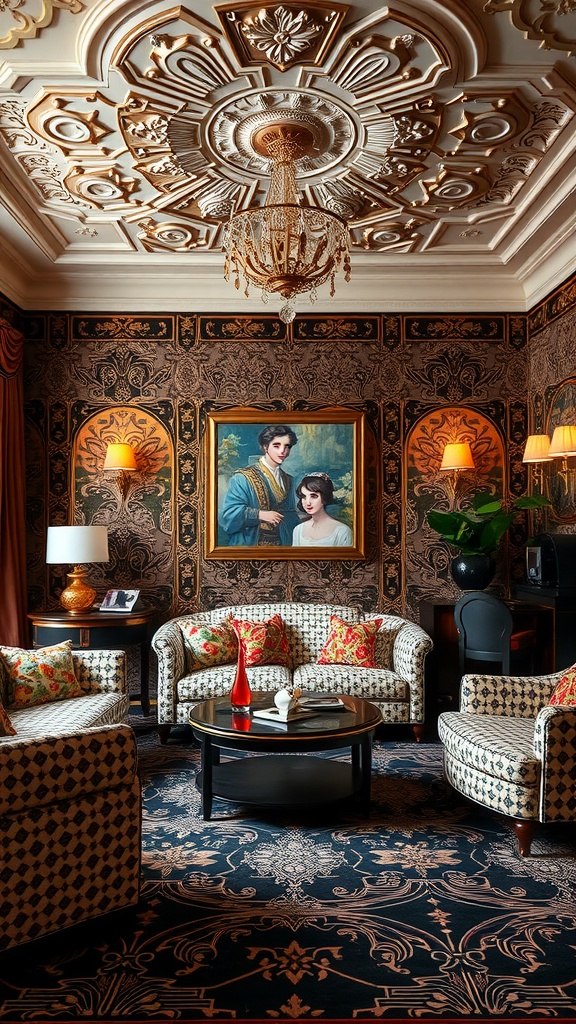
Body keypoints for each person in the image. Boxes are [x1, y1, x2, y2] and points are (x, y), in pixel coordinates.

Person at [219, 424, 300, 546]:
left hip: (282, 545)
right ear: (265, 447)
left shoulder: (288, 479)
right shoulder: (242, 478)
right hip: (251, 544)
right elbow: (229, 515)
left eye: (287, 446)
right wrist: (260, 514)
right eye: (276, 446)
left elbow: (289, 514)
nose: (283, 451)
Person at [292, 472, 353, 546]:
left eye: (313, 496)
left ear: (324, 498)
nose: (307, 502)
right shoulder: (298, 530)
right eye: (304, 497)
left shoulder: (342, 531)